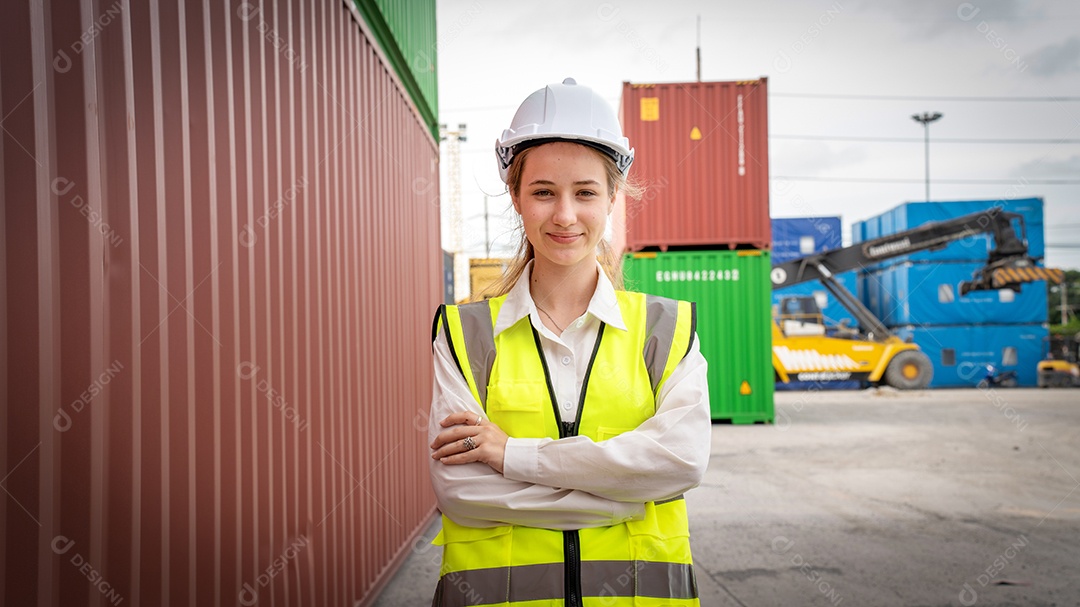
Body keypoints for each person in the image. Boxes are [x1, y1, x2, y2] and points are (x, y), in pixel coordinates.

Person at [427, 78, 711, 607]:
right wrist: (628, 495)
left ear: (612, 197)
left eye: (584, 192)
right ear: (515, 196)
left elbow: (682, 462)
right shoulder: (464, 335)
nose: (564, 215)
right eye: (542, 192)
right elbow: (461, 494)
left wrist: (512, 455)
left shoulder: (666, 330)